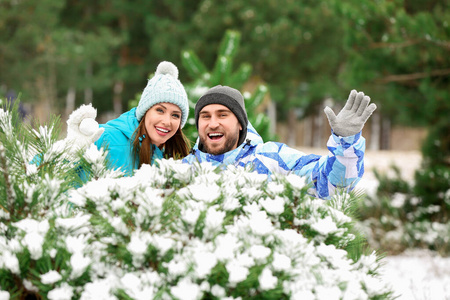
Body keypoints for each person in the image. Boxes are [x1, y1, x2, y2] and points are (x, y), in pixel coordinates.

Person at [182, 85, 377, 199]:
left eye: (222, 115)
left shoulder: (272, 159)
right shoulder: (183, 170)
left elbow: (333, 186)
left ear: (240, 124)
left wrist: (346, 142)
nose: (213, 123)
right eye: (205, 116)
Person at [65, 61, 191, 175]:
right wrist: (69, 152)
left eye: (175, 115)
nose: (167, 121)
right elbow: (49, 168)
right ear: (145, 111)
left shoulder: (170, 158)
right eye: (160, 110)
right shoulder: (106, 137)